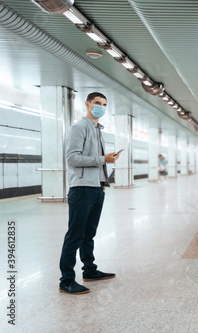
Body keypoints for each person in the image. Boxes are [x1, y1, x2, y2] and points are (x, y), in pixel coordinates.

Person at [59, 92, 121, 295]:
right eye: (97, 103)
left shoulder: (97, 129)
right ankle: (67, 280)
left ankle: (90, 270)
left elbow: (97, 159)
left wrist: (103, 183)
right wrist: (103, 159)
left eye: (104, 104)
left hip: (96, 189)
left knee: (89, 235)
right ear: (87, 104)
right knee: (75, 236)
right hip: (81, 189)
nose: (100, 107)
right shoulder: (79, 127)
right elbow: (73, 159)